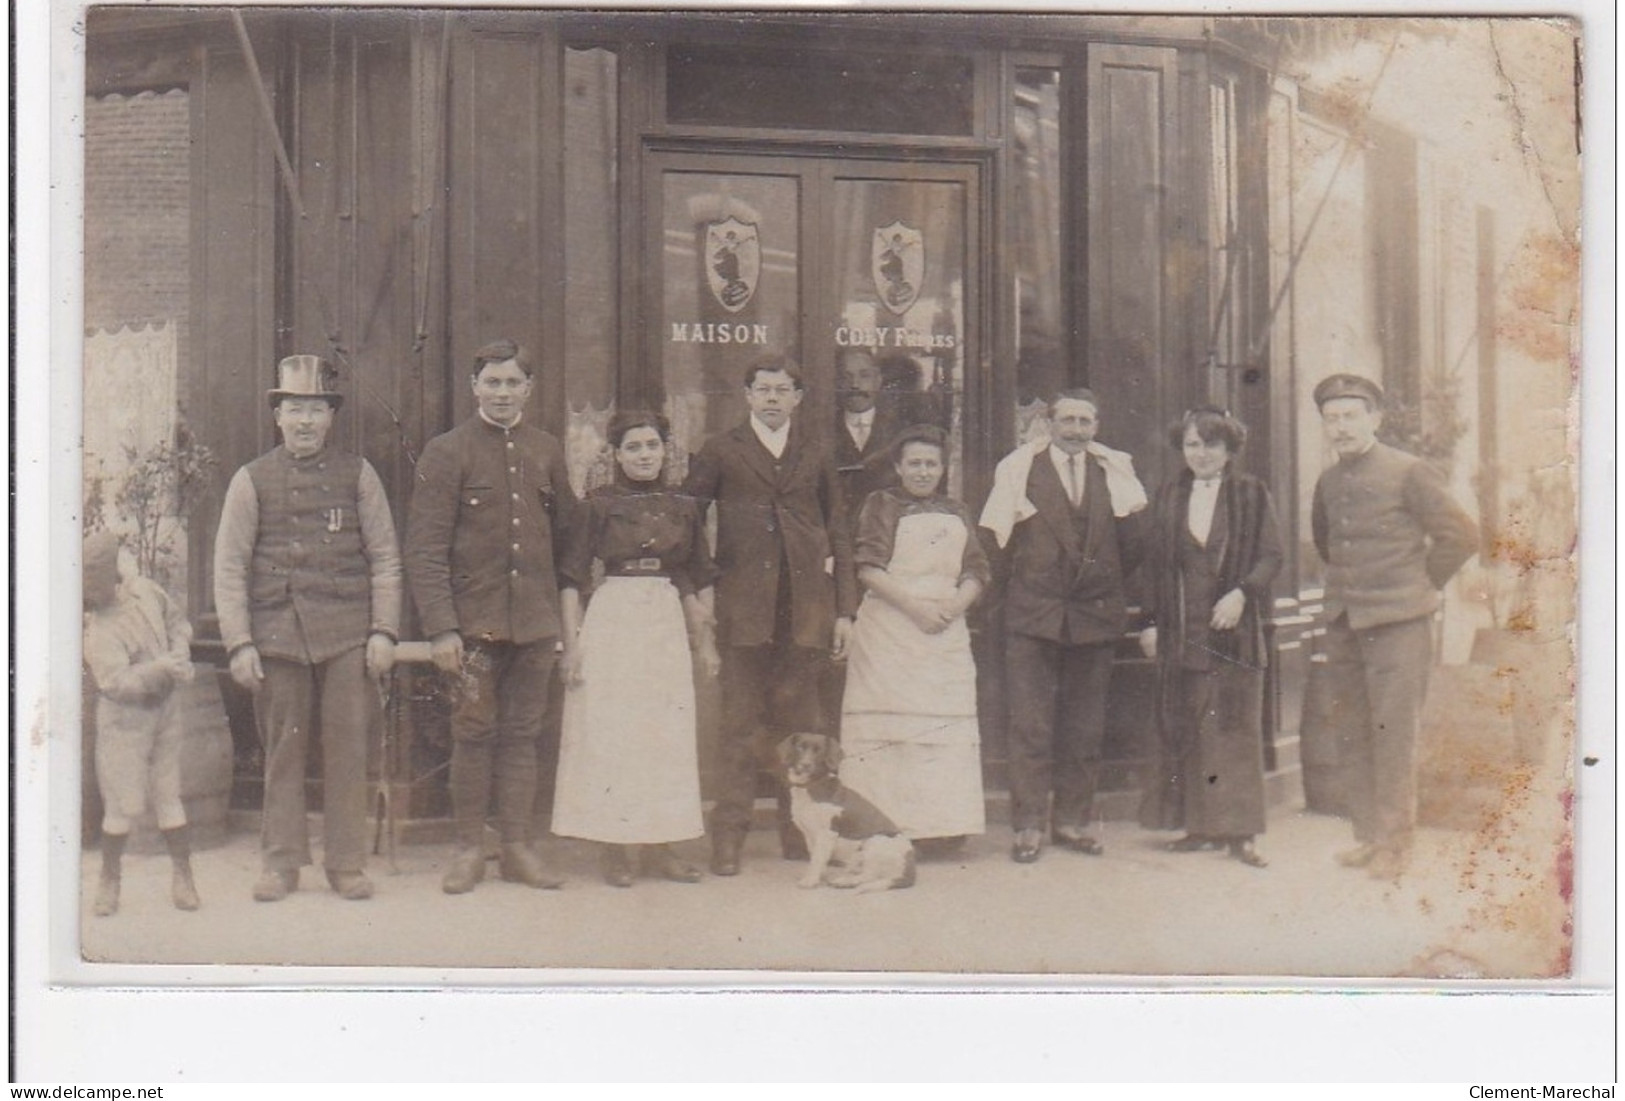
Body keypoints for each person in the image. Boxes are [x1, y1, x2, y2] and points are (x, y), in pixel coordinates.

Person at [214, 354, 401, 902]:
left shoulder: (360, 474)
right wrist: (239, 641)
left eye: (315, 411)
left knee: (348, 748)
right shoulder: (250, 480)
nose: (304, 422)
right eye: (294, 410)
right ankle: (280, 862)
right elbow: (229, 567)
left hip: (348, 633)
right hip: (277, 635)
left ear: (330, 417)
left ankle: (345, 863)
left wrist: (384, 631)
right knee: (283, 751)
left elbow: (386, 558)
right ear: (278, 415)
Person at [405, 339, 576, 895]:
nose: (503, 394)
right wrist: (442, 627)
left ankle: (518, 848)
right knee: (474, 734)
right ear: (474, 387)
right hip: (472, 629)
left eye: (513, 383)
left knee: (524, 736)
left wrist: (560, 620)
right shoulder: (447, 452)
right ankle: (468, 848)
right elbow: (425, 549)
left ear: (529, 388)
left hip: (534, 626)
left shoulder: (547, 450)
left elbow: (567, 541)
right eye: (492, 383)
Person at [683, 356, 859, 876]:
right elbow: (688, 519)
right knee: (738, 726)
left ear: (799, 397)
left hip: (805, 614)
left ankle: (797, 833)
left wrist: (844, 610)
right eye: (764, 390)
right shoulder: (722, 449)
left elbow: (839, 532)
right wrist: (706, 583)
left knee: (802, 727)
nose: (773, 399)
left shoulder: (816, 452)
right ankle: (729, 838)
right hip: (744, 613)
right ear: (748, 395)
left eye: (783, 390)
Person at [1310, 373, 1478, 881]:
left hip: (1400, 625)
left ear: (1375, 419)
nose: (1340, 428)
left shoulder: (1409, 471)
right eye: (1331, 419)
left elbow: (1461, 535)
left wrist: (1416, 586)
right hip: (1345, 622)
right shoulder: (1328, 481)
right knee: (1353, 732)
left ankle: (1396, 846)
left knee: (1393, 735)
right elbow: (1325, 542)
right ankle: (1369, 837)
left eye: (1350, 416)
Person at [552, 410, 722, 887]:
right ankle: (617, 848)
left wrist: (705, 641)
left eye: (652, 445)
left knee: (665, 733)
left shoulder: (683, 506)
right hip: (614, 617)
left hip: (664, 618)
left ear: (665, 449)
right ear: (617, 454)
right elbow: (571, 577)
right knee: (617, 731)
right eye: (634, 447)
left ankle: (663, 845)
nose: (644, 455)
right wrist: (572, 645)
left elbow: (700, 573)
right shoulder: (598, 505)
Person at [979, 387, 1148, 863]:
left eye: (1085, 422)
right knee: (1030, 726)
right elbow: (997, 545)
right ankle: (1028, 825)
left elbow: (1132, 546)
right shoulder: (1021, 471)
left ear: (1096, 427)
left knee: (1084, 727)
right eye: (1068, 421)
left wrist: (1097, 584)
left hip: (1093, 617)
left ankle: (1073, 821)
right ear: (1050, 424)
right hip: (1034, 617)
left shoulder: (1111, 472)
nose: (1076, 431)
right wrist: (1034, 588)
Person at [1138, 407, 1283, 868]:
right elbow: (1155, 564)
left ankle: (1241, 833)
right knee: (1190, 725)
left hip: (1233, 631)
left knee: (1233, 729)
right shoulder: (1169, 494)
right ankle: (1199, 828)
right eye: (1192, 445)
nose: (1201, 454)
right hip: (1183, 629)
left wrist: (1242, 594)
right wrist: (1151, 622)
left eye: (1211, 445)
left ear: (1229, 449)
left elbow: (1271, 554)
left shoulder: (1249, 493)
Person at [839, 424, 990, 853]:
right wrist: (916, 608)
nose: (923, 472)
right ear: (899, 468)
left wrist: (954, 606)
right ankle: (884, 826)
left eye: (931, 464)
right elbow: (867, 566)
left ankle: (941, 827)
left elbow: (977, 569)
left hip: (944, 630)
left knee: (940, 731)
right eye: (915, 464)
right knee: (891, 732)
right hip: (892, 629)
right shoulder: (880, 505)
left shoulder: (958, 511)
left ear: (943, 468)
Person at [83, 531, 199, 916]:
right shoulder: (100, 630)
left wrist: (179, 655)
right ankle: (109, 881)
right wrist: (159, 668)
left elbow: (177, 621)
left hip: (164, 711)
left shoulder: (145, 592)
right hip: (123, 724)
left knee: (168, 793)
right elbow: (116, 683)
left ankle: (184, 877)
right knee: (121, 804)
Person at [833, 348, 902, 513]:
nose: (855, 385)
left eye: (864, 376)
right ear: (836, 382)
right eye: (846, 377)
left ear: (878, 380)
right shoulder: (823, 430)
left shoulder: (899, 430)